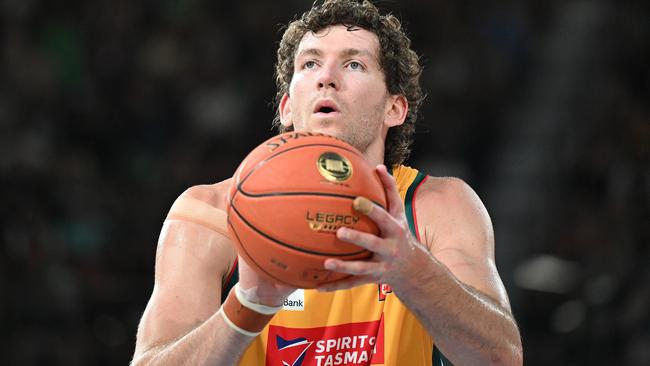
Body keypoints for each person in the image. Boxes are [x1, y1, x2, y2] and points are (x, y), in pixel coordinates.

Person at [131, 1, 523, 365]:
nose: (327, 79)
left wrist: (410, 269)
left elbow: (503, 357)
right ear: (287, 106)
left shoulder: (436, 205)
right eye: (310, 64)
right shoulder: (211, 213)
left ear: (395, 108)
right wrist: (248, 306)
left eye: (354, 65)